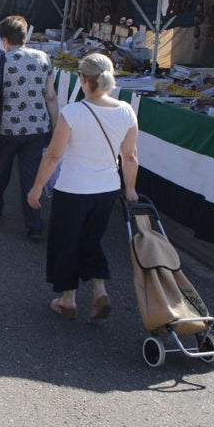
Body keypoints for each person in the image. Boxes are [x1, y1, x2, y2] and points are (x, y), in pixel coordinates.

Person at [27, 52, 138, 321]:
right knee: (92, 240)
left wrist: (37, 187)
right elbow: (130, 156)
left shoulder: (73, 112)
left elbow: (54, 155)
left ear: (84, 80)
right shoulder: (126, 110)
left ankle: (68, 299)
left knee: (66, 242)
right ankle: (99, 290)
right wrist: (131, 189)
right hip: (107, 188)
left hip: (74, 189)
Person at [0, 15, 58, 241]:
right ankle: (34, 224)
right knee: (31, 176)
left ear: (4, 40)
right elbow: (50, 97)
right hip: (37, 126)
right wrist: (55, 124)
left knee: (2, 168)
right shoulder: (44, 58)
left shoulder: (2, 61)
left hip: (8, 127)